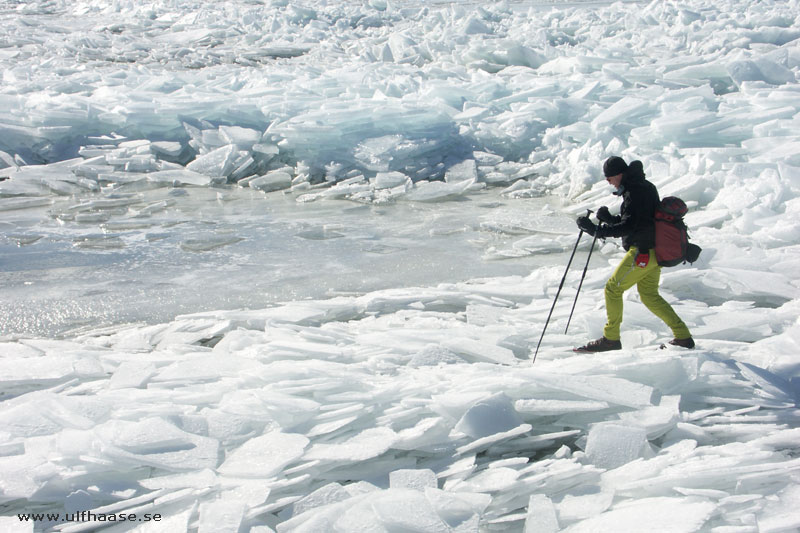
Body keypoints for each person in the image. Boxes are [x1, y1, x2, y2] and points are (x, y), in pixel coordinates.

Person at [573, 156, 694, 352]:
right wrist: (611, 220)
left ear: (620, 174)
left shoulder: (634, 191)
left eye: (610, 177)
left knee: (613, 289)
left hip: (643, 252)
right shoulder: (644, 186)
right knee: (649, 295)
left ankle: (611, 339)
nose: (608, 181)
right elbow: (639, 220)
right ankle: (682, 336)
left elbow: (630, 226)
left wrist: (596, 230)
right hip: (656, 251)